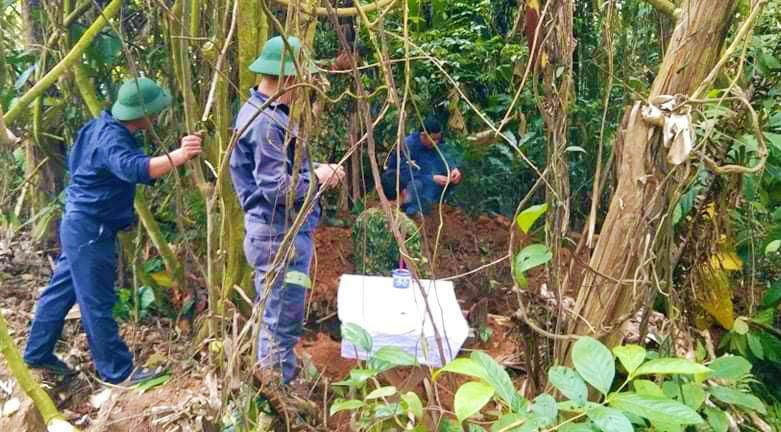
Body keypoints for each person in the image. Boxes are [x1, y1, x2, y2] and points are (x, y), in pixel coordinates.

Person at [23, 77, 203, 384]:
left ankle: (38, 353)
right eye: (154, 112)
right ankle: (117, 373)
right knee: (97, 303)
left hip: (79, 224)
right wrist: (180, 156)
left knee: (60, 292)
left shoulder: (98, 126)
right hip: (91, 230)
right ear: (142, 113)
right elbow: (132, 168)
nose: (157, 117)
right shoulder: (112, 139)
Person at [230, 35, 344, 385]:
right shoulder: (266, 123)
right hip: (278, 236)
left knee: (285, 312)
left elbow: (281, 174)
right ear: (290, 78)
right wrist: (320, 178)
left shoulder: (268, 114)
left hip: (287, 237)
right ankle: (278, 393)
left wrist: (313, 171)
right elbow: (276, 188)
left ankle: (281, 380)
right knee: (279, 318)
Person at [381, 117, 463, 216]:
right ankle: (411, 210)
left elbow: (445, 153)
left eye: (438, 139)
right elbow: (405, 174)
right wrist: (432, 178)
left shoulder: (436, 143)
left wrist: (453, 168)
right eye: (433, 139)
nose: (436, 142)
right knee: (417, 184)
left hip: (424, 177)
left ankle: (436, 204)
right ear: (423, 135)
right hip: (402, 183)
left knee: (452, 177)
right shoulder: (408, 145)